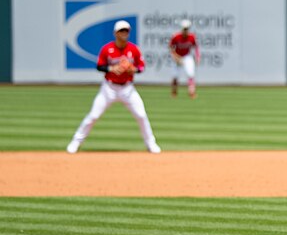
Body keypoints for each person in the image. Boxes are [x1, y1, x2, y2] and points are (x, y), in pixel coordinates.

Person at [66, 20, 161, 154]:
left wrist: (133, 70)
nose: (124, 33)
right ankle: (76, 142)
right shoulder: (107, 49)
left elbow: (141, 67)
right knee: (93, 116)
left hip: (128, 89)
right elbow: (99, 66)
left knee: (141, 115)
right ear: (115, 33)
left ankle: (151, 144)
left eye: (126, 31)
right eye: (121, 31)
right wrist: (111, 68)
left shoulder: (133, 49)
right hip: (109, 89)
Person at [169, 19, 200, 98]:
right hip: (177, 56)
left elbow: (196, 47)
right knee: (175, 75)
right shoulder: (176, 36)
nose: (186, 30)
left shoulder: (192, 37)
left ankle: (191, 92)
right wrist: (176, 58)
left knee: (190, 74)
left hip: (187, 56)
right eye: (184, 29)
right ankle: (174, 92)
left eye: (187, 29)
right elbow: (171, 48)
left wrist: (197, 57)